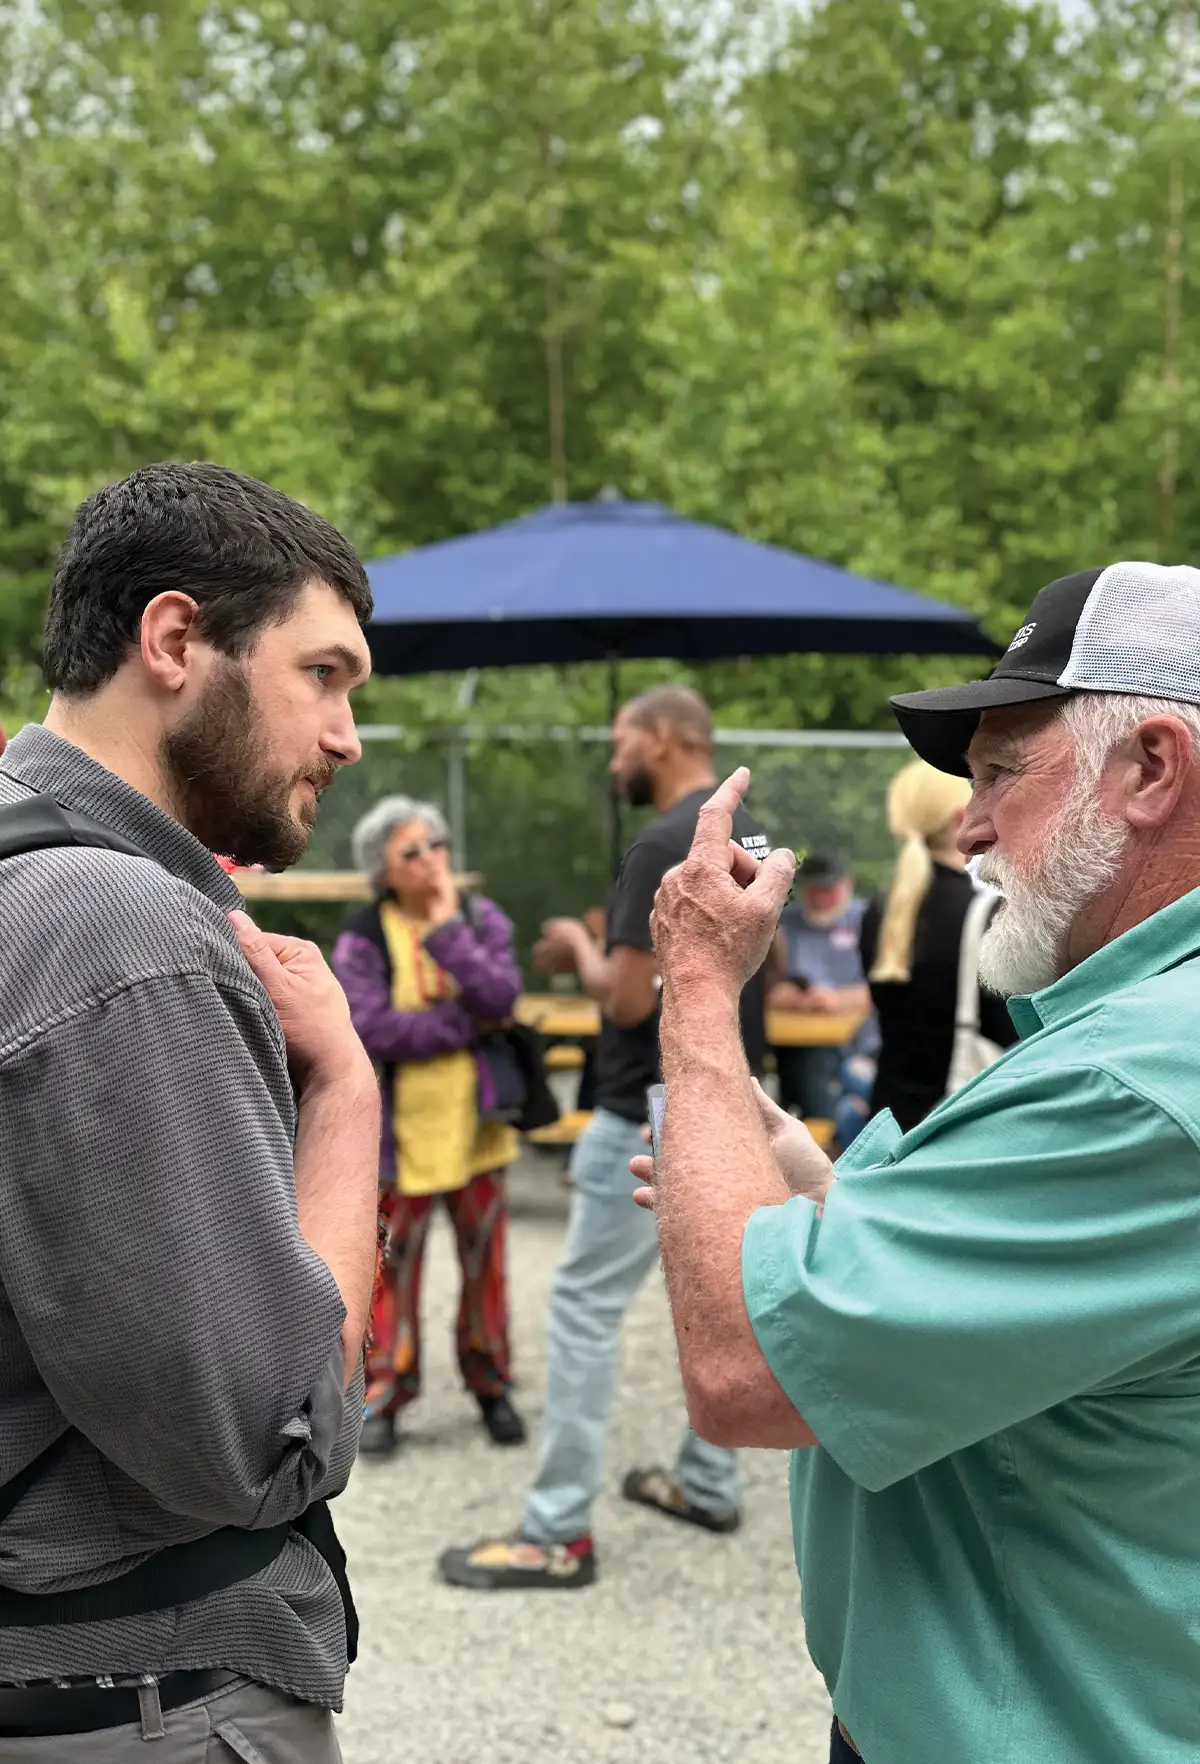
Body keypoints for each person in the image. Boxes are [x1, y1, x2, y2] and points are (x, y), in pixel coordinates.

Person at [636, 560, 1200, 1763]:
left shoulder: (1140, 1077)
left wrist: (694, 985)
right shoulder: (1144, 1031)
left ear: (1153, 768)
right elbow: (1080, 1332)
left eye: (1003, 770)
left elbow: (743, 1371)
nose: (974, 824)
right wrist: (825, 1194)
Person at [0, 462, 380, 1759]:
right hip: (139, 1704)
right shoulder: (117, 931)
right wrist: (344, 1091)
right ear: (175, 641)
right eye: (322, 675)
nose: (348, 736)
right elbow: (261, 1439)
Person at [438, 684, 770, 1590]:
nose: (612, 756)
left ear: (661, 738)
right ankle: (705, 1479)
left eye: (621, 739)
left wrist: (580, 953)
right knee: (721, 1298)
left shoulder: (666, 841)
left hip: (647, 1104)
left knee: (585, 1308)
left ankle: (556, 1533)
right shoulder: (754, 830)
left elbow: (625, 1000)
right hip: (737, 1099)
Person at [332, 794, 525, 1456]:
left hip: (478, 1134)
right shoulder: (363, 934)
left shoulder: (478, 918)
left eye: (436, 845)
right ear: (382, 869)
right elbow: (369, 1027)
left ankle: (491, 1382)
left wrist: (447, 934)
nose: (431, 860)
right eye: (411, 851)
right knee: (390, 1274)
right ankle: (385, 1393)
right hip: (400, 1142)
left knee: (486, 1267)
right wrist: (463, 1025)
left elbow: (502, 996)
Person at [859, 759, 1016, 1131]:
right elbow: (1009, 1032)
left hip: (885, 1121)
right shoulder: (985, 914)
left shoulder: (879, 911)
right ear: (961, 817)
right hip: (952, 1123)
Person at [770, 850, 873, 1132]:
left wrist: (838, 999)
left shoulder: (868, 919)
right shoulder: (782, 926)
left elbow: (885, 987)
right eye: (814, 890)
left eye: (829, 890)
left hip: (861, 1042)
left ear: (847, 885)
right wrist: (789, 997)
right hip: (800, 1043)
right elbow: (766, 987)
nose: (821, 898)